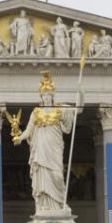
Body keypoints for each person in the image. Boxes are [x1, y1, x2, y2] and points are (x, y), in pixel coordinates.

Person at [11, 72, 77, 211]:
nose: (46, 98)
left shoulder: (60, 110)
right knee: (42, 176)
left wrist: (81, 94)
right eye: (44, 96)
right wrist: (19, 138)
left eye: (49, 96)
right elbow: (28, 131)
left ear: (52, 97)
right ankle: (44, 204)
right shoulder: (36, 112)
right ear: (41, 97)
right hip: (41, 149)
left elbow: (78, 110)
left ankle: (60, 204)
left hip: (54, 148)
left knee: (57, 175)